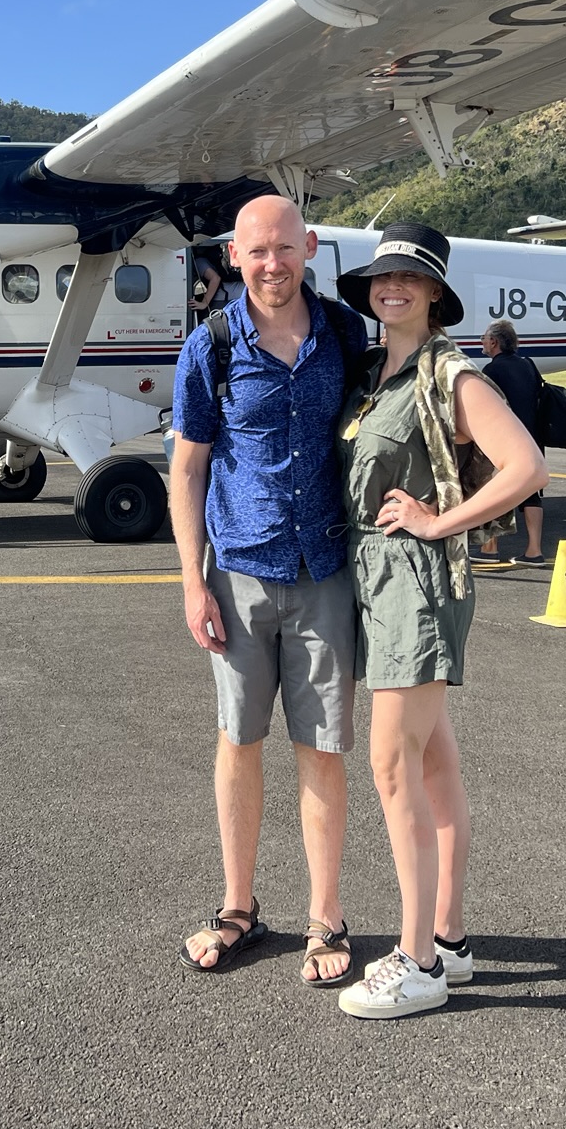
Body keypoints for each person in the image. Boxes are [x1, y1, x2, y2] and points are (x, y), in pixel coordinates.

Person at [330, 222, 547, 1019]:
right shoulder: (373, 371)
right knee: (431, 765)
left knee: (393, 766)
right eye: (383, 277)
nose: (393, 288)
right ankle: (449, 938)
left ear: (433, 295)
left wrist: (437, 521)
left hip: (415, 584)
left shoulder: (450, 373)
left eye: (410, 279)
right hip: (374, 577)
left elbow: (527, 466)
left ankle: (416, 961)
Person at [170, 195, 370, 987]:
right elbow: (188, 469)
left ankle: (327, 918)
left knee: (322, 750)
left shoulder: (347, 337)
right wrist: (192, 582)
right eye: (256, 251)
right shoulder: (210, 346)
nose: (271, 264)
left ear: (310, 247)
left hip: (324, 571)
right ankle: (238, 907)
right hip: (239, 574)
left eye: (284, 248)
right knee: (239, 741)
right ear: (234, 257)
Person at [476, 319, 547, 566]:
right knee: (532, 495)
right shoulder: (528, 364)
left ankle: (490, 548)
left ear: (494, 342)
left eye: (485, 338)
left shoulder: (491, 370)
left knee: (495, 490)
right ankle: (534, 551)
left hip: (504, 440)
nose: (482, 342)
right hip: (533, 438)